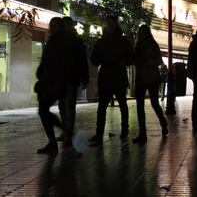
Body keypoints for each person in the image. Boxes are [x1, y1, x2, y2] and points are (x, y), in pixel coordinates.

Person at [88, 16, 134, 146]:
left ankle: (123, 130)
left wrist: (122, 62)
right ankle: (100, 133)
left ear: (115, 25)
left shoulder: (120, 41)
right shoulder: (103, 41)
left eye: (111, 23)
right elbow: (94, 59)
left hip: (115, 75)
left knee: (120, 105)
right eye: (108, 23)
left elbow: (131, 57)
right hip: (108, 76)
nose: (109, 26)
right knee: (103, 107)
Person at [56, 17, 89, 155]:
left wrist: (84, 78)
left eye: (69, 25)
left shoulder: (76, 41)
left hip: (72, 78)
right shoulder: (58, 40)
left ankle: (68, 132)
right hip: (61, 78)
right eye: (66, 25)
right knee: (63, 105)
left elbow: (82, 60)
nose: (68, 27)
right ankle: (66, 130)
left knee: (69, 105)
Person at [132, 24, 168, 143]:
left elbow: (159, 61)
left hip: (150, 78)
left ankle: (161, 124)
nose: (141, 34)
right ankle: (144, 133)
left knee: (152, 104)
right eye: (140, 32)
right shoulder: (139, 46)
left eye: (143, 32)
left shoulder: (152, 45)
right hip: (143, 78)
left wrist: (147, 60)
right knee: (142, 105)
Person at [35, 17, 66, 154]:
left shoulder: (58, 41)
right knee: (43, 110)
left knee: (43, 109)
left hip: (54, 82)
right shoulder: (53, 40)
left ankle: (60, 135)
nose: (51, 27)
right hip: (49, 81)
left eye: (54, 25)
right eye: (51, 24)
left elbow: (56, 62)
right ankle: (55, 139)